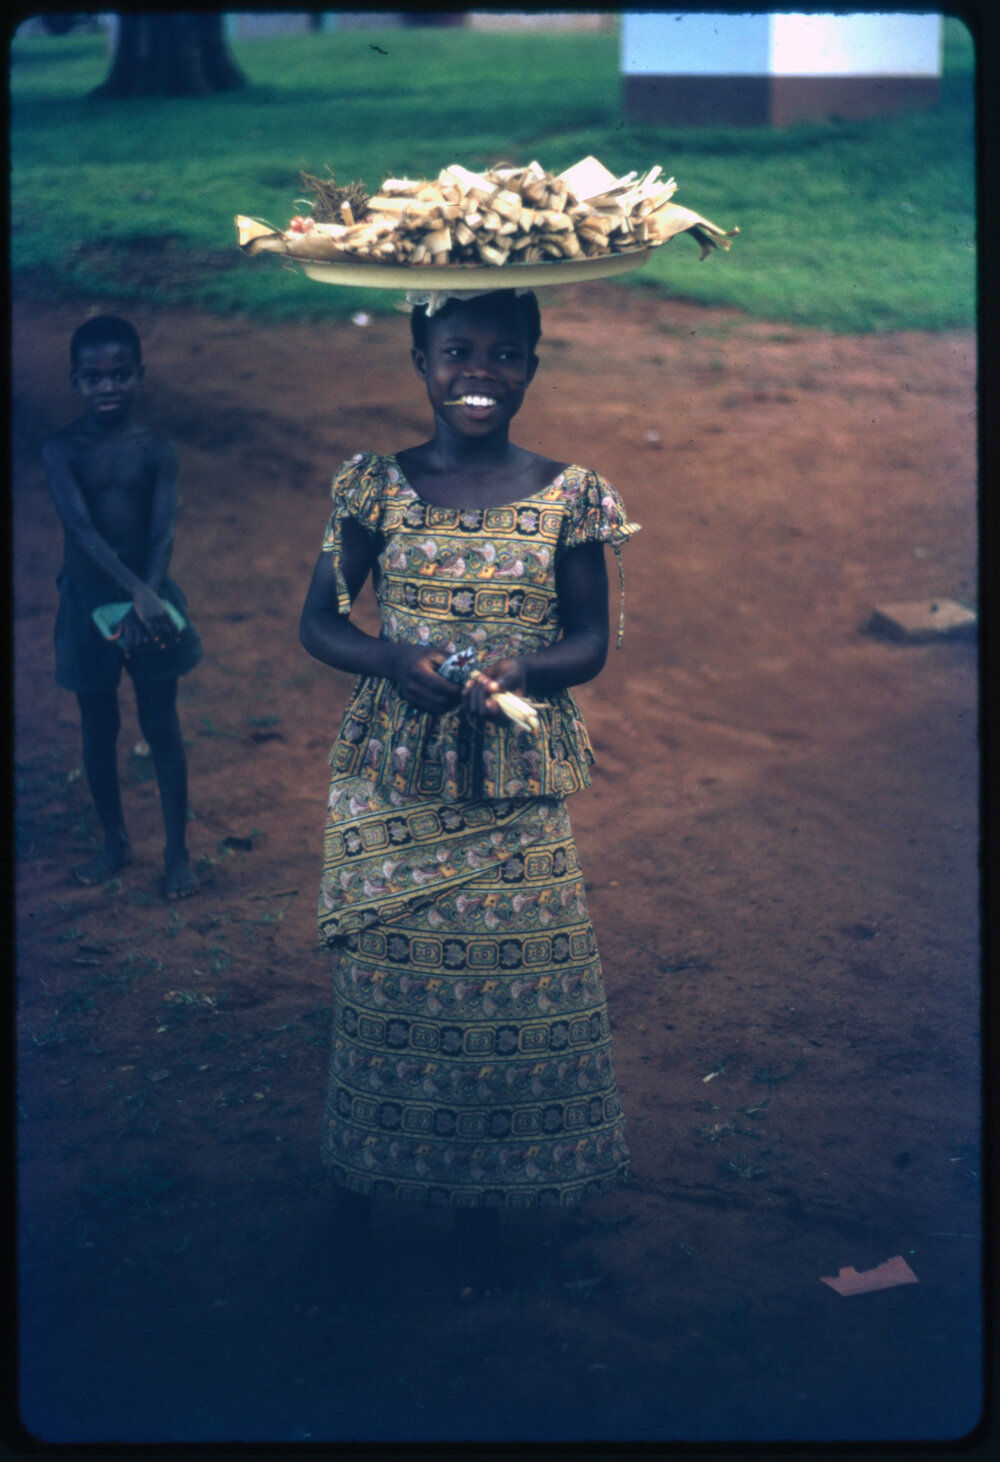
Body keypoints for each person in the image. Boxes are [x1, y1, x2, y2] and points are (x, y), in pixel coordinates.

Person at [299, 288, 638, 1284]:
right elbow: (320, 623)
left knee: (505, 1002)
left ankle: (481, 1220)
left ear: (532, 365)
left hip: (517, 789)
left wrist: (527, 671)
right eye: (455, 351)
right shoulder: (372, 488)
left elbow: (589, 643)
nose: (476, 372)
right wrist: (388, 658)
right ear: (418, 360)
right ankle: (355, 1209)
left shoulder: (570, 494)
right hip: (392, 786)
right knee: (383, 993)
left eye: (502, 354)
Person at [43, 315, 202, 899]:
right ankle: (114, 842)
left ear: (139, 376)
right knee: (98, 724)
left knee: (161, 724)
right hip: (89, 600)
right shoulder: (62, 449)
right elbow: (81, 531)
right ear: (75, 381)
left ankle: (177, 854)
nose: (107, 386)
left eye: (119, 375)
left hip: (151, 598)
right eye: (93, 377)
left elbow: (162, 532)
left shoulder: (158, 449)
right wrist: (137, 592)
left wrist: (149, 594)